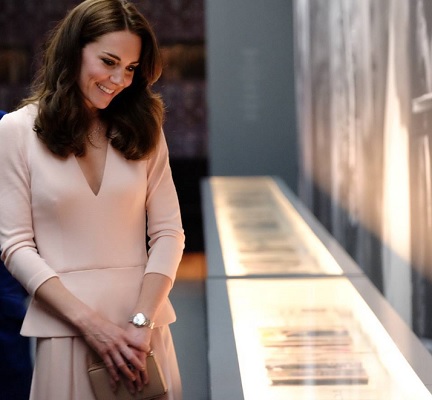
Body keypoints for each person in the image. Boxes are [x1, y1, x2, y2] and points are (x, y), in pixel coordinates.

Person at [0, 1, 185, 399]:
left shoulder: (146, 128)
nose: (119, 79)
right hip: (67, 331)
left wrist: (141, 322)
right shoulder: (16, 131)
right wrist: (92, 325)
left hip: (143, 334)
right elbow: (14, 244)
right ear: (74, 50)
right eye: (109, 61)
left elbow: (169, 231)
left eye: (132, 68)